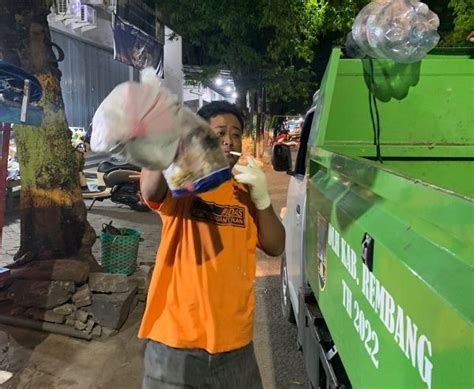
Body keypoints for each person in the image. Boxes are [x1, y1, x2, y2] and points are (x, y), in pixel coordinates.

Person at [139, 100, 285, 388]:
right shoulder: (183, 181)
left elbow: (275, 245)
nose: (228, 140)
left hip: (235, 342)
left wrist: (263, 200)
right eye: (218, 133)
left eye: (235, 133)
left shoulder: (245, 189)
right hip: (175, 340)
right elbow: (150, 188)